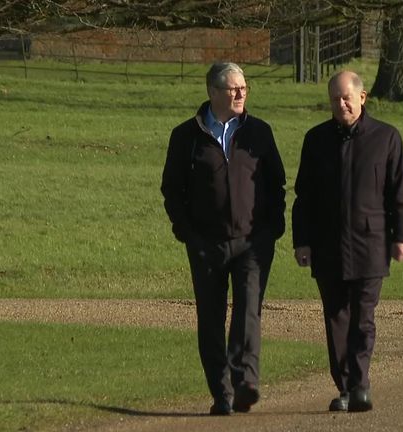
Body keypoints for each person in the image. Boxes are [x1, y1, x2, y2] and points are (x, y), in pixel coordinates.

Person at [161, 62, 286, 415]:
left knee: (248, 310)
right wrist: (187, 234)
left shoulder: (259, 132)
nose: (240, 93)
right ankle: (222, 393)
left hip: (252, 241)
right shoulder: (186, 136)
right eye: (232, 88)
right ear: (213, 92)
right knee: (211, 319)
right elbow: (172, 189)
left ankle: (246, 381)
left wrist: (272, 228)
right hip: (206, 244)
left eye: (243, 87)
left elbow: (276, 182)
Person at [291, 70, 403, 413]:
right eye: (334, 99)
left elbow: (399, 192)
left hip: (370, 243)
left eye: (346, 97)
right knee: (336, 318)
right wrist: (302, 241)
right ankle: (344, 387)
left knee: (363, 317)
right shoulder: (315, 140)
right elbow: (304, 197)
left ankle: (361, 383)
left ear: (363, 97)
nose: (340, 104)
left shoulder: (386, 138)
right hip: (327, 244)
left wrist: (401, 237)